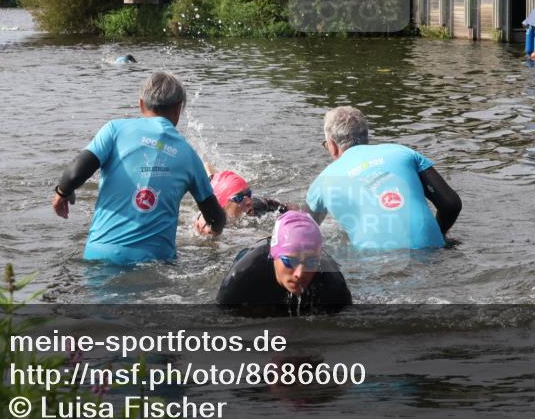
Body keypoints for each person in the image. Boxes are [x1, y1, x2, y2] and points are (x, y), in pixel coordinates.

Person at [51, 72, 225, 264]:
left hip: (99, 256)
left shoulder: (114, 130)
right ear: (178, 110)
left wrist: (62, 192)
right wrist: (213, 231)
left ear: (141, 104)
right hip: (155, 263)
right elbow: (215, 217)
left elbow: (75, 173)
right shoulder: (189, 156)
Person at [306, 106, 461, 250]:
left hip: (376, 262)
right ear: (366, 136)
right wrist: (438, 234)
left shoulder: (323, 180)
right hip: (432, 251)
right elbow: (451, 204)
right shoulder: (402, 152)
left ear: (332, 145)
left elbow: (300, 231)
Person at [217, 210, 351, 312]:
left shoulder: (332, 282)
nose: (300, 273)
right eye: (290, 261)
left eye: (310, 263)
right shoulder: (242, 276)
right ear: (274, 255)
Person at [194, 170, 288, 235]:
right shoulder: (209, 225)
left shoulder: (259, 205)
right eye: (239, 198)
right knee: (210, 178)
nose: (248, 201)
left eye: (248, 194)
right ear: (222, 204)